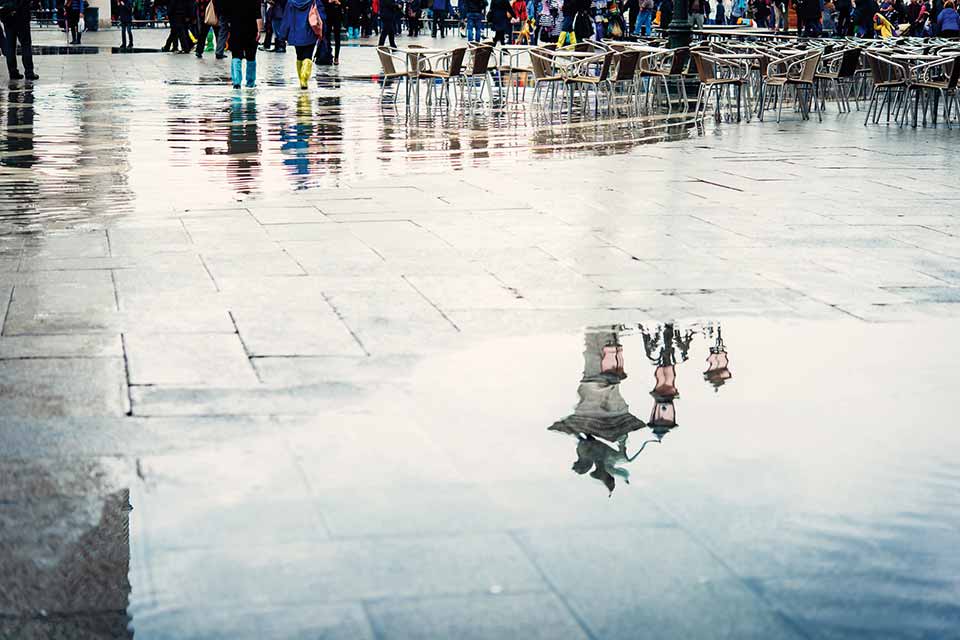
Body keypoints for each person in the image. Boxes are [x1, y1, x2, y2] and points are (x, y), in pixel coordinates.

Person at [277, 0, 324, 88]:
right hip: (310, 32)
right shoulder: (314, 1)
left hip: (295, 34)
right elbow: (321, 16)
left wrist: (283, 35)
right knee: (308, 56)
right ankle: (304, 78)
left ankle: (301, 80)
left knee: (299, 56)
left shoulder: (290, 2)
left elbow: (287, 19)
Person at [224, 0, 262, 87]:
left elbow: (226, 13)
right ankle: (250, 82)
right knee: (251, 56)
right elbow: (258, 15)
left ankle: (236, 81)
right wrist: (259, 30)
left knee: (236, 55)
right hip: (251, 30)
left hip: (235, 29)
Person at [1, 0, 36, 79]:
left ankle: (13, 72)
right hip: (21, 15)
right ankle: (29, 72)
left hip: (7, 16)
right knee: (26, 45)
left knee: (10, 46)